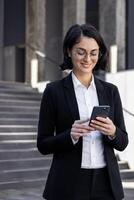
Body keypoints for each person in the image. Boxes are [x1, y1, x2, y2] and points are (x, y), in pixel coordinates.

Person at [37, 24, 128, 200]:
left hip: (106, 185)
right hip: (68, 184)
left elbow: (123, 142)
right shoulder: (53, 91)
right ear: (68, 51)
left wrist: (112, 132)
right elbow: (43, 144)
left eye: (94, 53)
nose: (88, 58)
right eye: (81, 52)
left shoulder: (111, 91)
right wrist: (70, 135)